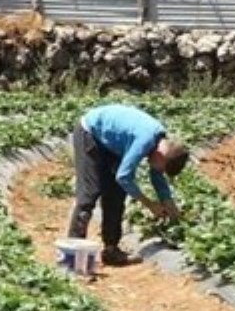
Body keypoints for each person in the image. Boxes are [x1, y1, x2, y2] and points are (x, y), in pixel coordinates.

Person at [66, 103, 189, 266]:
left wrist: (171, 208)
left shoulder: (161, 147)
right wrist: (150, 204)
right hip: (90, 132)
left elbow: (157, 178)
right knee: (89, 194)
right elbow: (124, 177)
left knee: (116, 195)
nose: (158, 171)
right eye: (161, 168)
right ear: (161, 156)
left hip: (113, 143)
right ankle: (73, 258)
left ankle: (111, 250)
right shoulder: (145, 141)